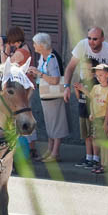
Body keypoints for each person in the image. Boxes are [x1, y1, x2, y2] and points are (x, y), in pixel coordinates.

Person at [63, 27, 108, 168]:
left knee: (98, 133)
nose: (91, 42)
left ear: (102, 39)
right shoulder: (82, 45)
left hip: (102, 97)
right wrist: (67, 86)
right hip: (84, 104)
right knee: (86, 134)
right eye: (89, 38)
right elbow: (70, 67)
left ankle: (99, 159)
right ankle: (89, 156)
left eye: (95, 39)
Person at [28, 32, 68, 163]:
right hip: (46, 96)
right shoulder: (43, 57)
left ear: (41, 45)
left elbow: (55, 80)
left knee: (56, 125)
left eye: (35, 43)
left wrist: (39, 73)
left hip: (54, 96)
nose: (33, 46)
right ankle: (50, 151)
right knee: (50, 125)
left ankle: (55, 153)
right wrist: (35, 73)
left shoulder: (52, 58)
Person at [88, 64, 108, 174]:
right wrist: (91, 113)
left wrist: (105, 123)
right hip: (96, 118)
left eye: (101, 75)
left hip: (104, 118)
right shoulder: (95, 88)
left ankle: (106, 164)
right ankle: (101, 163)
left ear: (107, 75)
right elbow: (92, 101)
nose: (98, 77)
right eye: (97, 75)